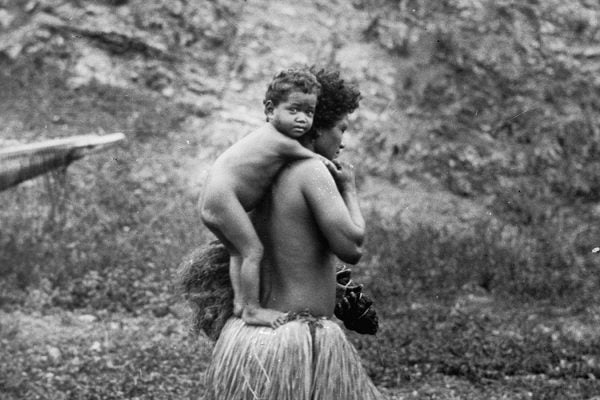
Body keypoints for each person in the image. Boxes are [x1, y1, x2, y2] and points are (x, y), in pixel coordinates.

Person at [204, 67, 385, 400]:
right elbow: (352, 248)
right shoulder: (312, 169)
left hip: (252, 340)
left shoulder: (269, 170)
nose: (342, 142)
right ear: (318, 127)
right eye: (341, 130)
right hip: (293, 342)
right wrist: (350, 190)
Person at [200, 67, 334, 327]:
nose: (302, 120)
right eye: (293, 110)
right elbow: (317, 160)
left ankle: (240, 303)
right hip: (224, 197)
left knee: (237, 252)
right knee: (253, 250)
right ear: (271, 110)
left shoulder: (269, 138)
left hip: (213, 199)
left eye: (309, 113)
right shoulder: (281, 141)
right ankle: (252, 310)